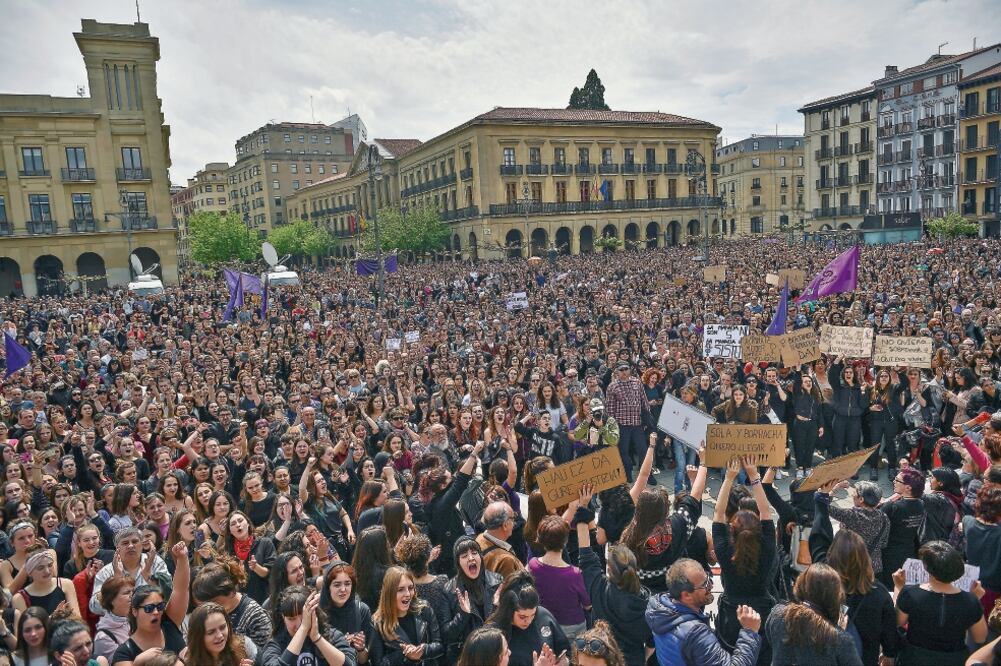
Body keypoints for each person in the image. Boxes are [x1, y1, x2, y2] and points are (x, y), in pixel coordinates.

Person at [575, 494, 651, 666]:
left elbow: (585, 554)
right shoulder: (647, 604)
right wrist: (642, 658)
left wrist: (582, 509)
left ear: (608, 569)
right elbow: (652, 641)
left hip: (601, 658)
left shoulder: (600, 590)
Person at [712, 457, 776, 659]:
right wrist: (754, 475)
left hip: (732, 615)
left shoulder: (724, 551)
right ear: (760, 530)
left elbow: (718, 512)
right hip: (763, 614)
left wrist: (729, 478)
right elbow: (766, 510)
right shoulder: (767, 549)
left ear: (732, 530)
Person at [646, 557, 762, 666]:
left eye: (708, 578)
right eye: (705, 584)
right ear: (686, 595)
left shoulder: (659, 609)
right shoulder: (695, 633)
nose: (711, 585)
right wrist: (750, 632)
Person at [892, 540, 988, 665]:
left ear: (928, 569)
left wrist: (898, 589)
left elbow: (897, 621)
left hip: (915, 658)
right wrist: (975, 601)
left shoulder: (911, 594)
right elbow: (980, 637)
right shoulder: (970, 601)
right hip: (954, 660)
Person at [764, 563, 863, 666]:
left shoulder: (777, 615)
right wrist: (838, 630)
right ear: (835, 596)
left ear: (801, 585)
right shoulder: (841, 640)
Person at [109, 542, 189, 666]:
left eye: (160, 606)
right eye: (149, 608)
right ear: (135, 611)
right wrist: (138, 663)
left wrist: (182, 558)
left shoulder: (169, 625)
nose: (156, 612)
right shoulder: (125, 653)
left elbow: (180, 589)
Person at [486, 570, 569, 666]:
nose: (528, 621)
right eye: (522, 617)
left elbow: (566, 650)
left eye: (533, 615)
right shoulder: (494, 634)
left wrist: (564, 662)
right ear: (508, 610)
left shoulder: (543, 615)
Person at [527, 515, 591, 639]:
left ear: (541, 539)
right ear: (565, 541)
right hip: (572, 627)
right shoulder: (575, 574)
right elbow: (587, 604)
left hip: (543, 624)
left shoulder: (532, 565)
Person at [191, 559, 273, 655]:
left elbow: (266, 657)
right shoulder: (208, 614)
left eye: (213, 601)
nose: (209, 607)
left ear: (230, 592)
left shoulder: (255, 616)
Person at [443, 536, 504, 663]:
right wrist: (463, 615)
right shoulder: (449, 590)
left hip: (495, 653)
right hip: (468, 657)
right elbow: (446, 636)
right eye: (464, 556)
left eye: (475, 553)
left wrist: (497, 608)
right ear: (458, 563)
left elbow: (507, 626)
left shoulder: (497, 582)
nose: (471, 558)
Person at [261, 585, 356, 666]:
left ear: (314, 613)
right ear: (283, 618)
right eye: (291, 619)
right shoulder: (275, 644)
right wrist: (303, 629)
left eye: (303, 617)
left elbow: (349, 663)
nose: (298, 624)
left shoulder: (331, 636)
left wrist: (317, 638)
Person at [369, 565, 443, 666]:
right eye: (400, 589)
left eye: (411, 588)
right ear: (389, 593)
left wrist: (424, 650)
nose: (407, 594)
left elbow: (439, 645)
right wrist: (405, 656)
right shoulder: (377, 622)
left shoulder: (424, 610)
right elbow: (377, 663)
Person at [879, 467, 926, 588]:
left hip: (889, 555)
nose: (894, 481)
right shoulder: (921, 504)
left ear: (908, 487)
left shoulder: (892, 508)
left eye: (897, 480)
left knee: (892, 587)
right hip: (910, 551)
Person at [318, 561, 373, 665]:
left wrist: (360, 648)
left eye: (347, 584)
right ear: (328, 587)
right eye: (337, 585)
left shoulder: (362, 610)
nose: (343, 589)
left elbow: (365, 660)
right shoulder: (318, 614)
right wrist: (340, 645)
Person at [178, 602, 249, 666]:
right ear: (198, 636)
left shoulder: (244, 646)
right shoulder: (185, 663)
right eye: (211, 632)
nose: (220, 635)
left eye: (222, 627)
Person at [476, 502, 524, 580]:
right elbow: (512, 589)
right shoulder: (506, 560)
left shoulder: (480, 538)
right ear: (505, 525)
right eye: (512, 518)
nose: (514, 523)